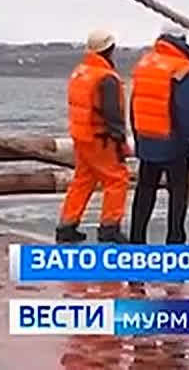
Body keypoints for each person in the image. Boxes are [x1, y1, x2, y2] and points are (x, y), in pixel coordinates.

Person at [128, 24, 189, 246]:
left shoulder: (145, 64)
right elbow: (188, 110)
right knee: (178, 192)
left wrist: (138, 135)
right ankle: (175, 240)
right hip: (174, 142)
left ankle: (136, 239)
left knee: (145, 190)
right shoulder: (184, 70)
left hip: (147, 138)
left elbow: (135, 103)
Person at [55, 29, 130, 244]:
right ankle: (110, 228)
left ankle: (67, 226)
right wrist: (120, 140)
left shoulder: (81, 72)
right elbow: (112, 113)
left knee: (82, 181)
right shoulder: (106, 77)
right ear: (110, 49)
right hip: (101, 138)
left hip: (82, 136)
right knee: (116, 180)